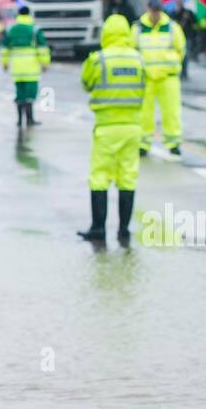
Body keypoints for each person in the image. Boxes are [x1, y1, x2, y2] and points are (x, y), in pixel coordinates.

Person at [77, 14, 146, 244]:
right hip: (132, 128)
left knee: (99, 177)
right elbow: (145, 87)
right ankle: (124, 230)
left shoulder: (99, 60)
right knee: (128, 177)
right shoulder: (139, 60)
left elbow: (86, 83)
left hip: (106, 127)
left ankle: (98, 228)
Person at [134, 0, 185, 156]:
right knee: (144, 113)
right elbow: (133, 49)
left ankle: (173, 143)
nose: (155, 14)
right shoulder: (138, 28)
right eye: (153, 11)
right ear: (148, 9)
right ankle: (143, 143)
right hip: (146, 78)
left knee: (171, 112)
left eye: (157, 11)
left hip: (167, 77)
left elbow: (180, 49)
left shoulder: (171, 27)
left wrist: (172, 64)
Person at [0, 4, 50, 128]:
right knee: (30, 94)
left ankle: (19, 120)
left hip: (16, 68)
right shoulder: (34, 29)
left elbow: (5, 48)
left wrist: (5, 63)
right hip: (31, 68)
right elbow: (42, 49)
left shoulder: (11, 29)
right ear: (29, 14)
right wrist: (45, 63)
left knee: (19, 93)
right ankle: (30, 119)